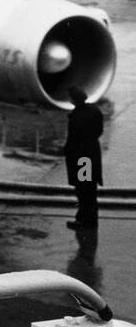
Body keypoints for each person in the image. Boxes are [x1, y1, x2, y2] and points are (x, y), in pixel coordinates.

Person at [64, 86, 104, 230]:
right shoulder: (94, 110)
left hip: (82, 159)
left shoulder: (77, 116)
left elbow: (73, 139)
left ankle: (85, 221)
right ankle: (87, 219)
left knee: (84, 190)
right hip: (91, 153)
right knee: (89, 189)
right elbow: (99, 131)